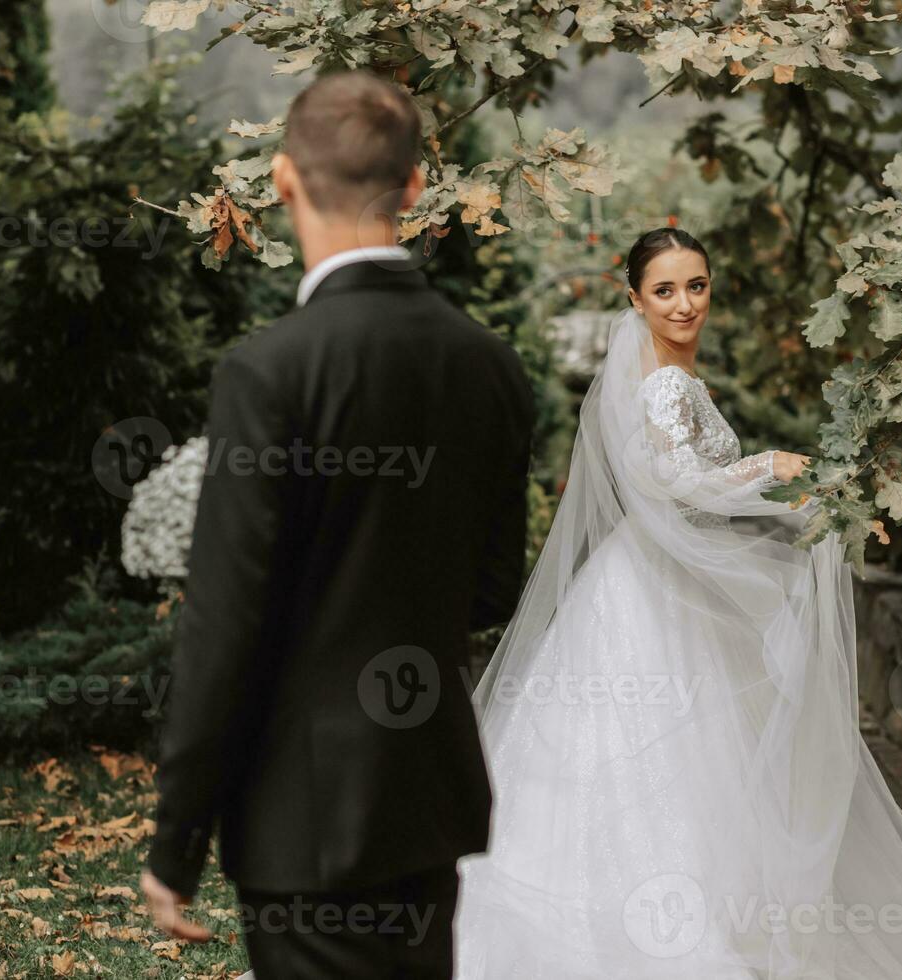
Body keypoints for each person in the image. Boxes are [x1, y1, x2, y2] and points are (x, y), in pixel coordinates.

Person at [451, 227, 902, 979]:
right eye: (666, 290)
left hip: (648, 577)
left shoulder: (667, 373)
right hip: (647, 595)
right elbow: (678, 480)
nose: (685, 304)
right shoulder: (665, 383)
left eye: (698, 285)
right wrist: (769, 464)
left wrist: (784, 491)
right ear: (634, 299)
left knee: (695, 750)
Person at [139, 70, 535, 980]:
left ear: (281, 181)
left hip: (301, 820)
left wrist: (176, 841)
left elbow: (225, 621)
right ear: (412, 190)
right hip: (426, 803)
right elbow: (490, 586)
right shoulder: (490, 369)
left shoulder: (269, 372)